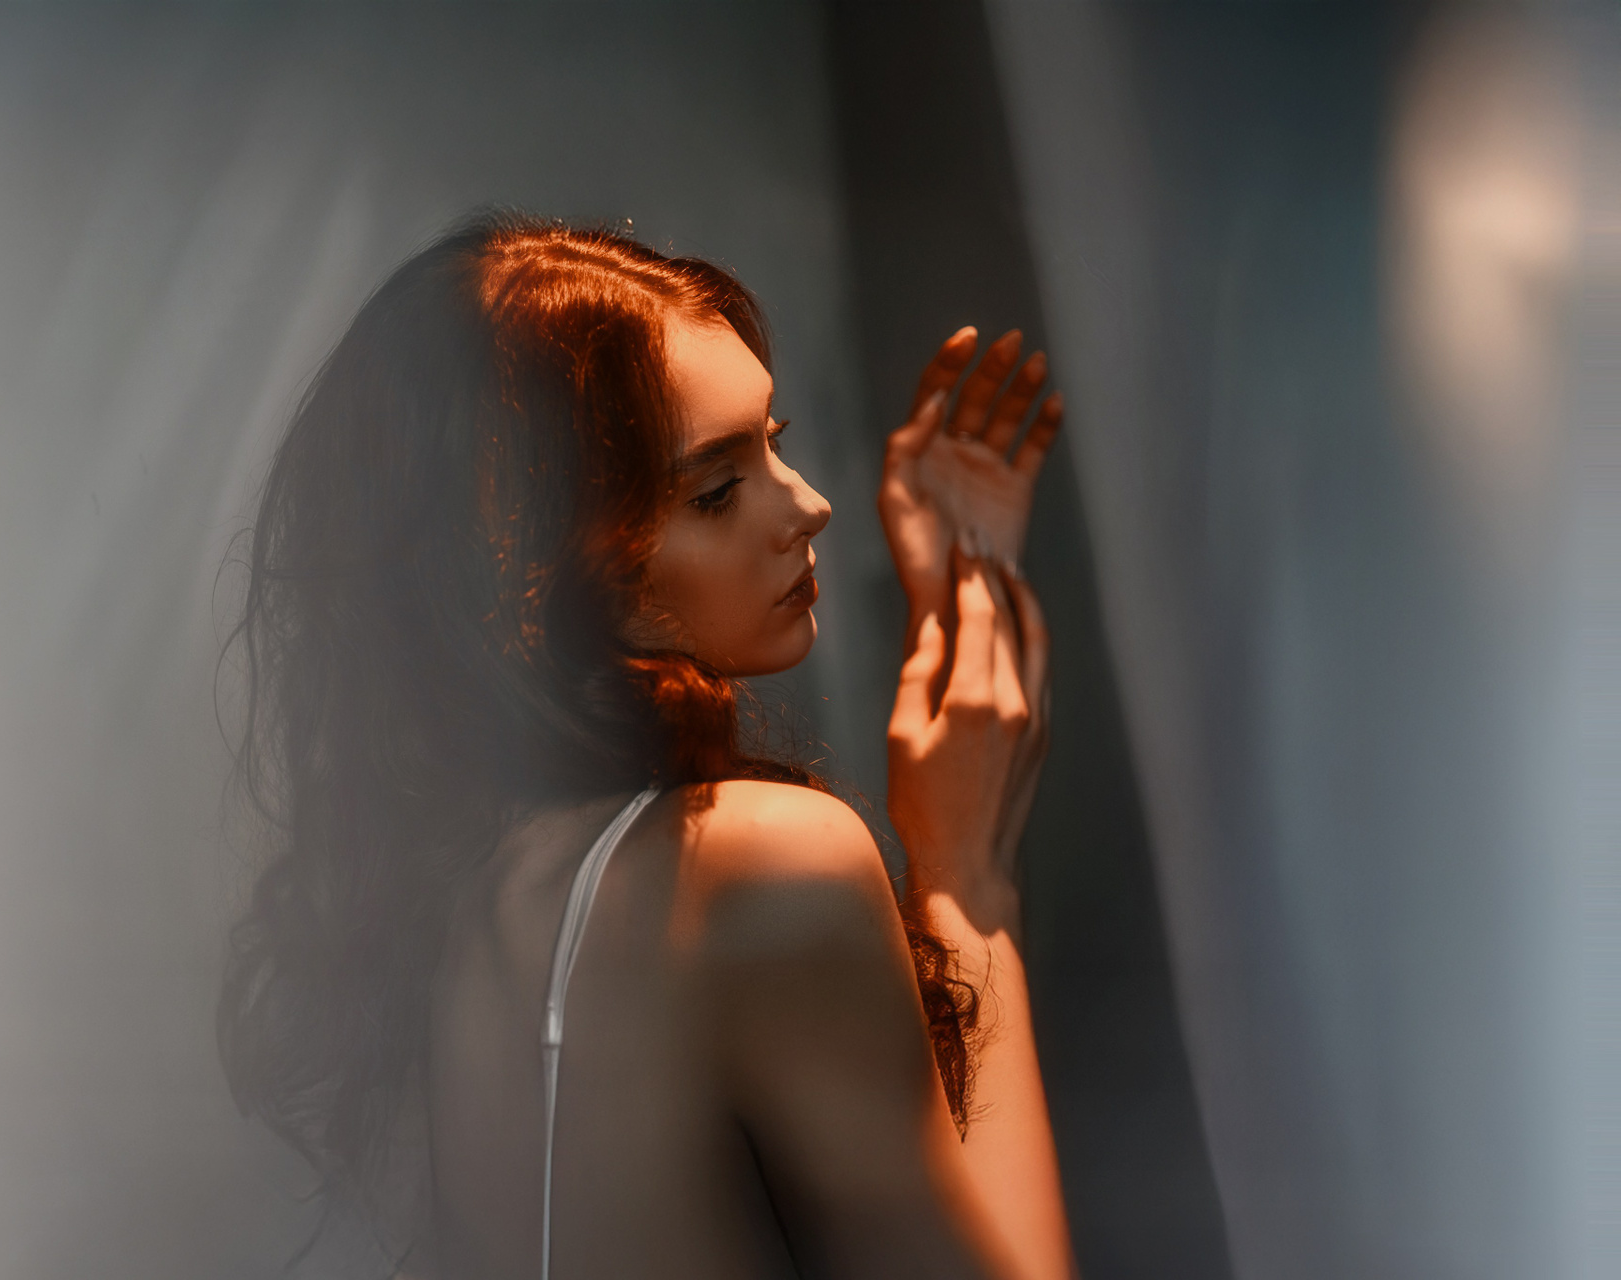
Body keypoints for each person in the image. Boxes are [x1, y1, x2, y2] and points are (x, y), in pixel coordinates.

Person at [220, 213, 1073, 1279]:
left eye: (775, 440)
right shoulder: (752, 864)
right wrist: (966, 873)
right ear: (533, 568)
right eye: (715, 490)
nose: (810, 506)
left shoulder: (456, 890)